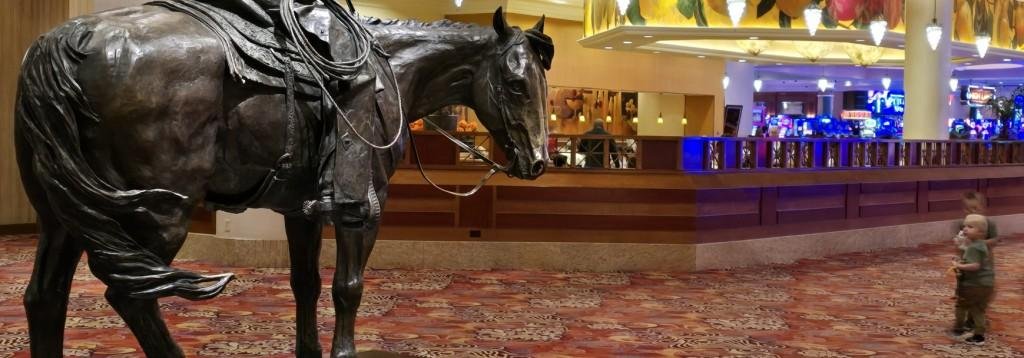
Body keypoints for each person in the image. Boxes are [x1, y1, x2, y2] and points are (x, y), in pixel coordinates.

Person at [948, 214, 996, 345]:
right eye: (964, 226)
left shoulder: (974, 247)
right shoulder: (979, 244)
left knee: (964, 306)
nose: (965, 229)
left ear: (980, 232)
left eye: (970, 227)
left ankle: (964, 330)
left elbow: (975, 265)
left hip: (974, 284)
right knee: (978, 309)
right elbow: (971, 254)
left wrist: (958, 265)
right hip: (985, 284)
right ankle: (977, 333)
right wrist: (961, 249)